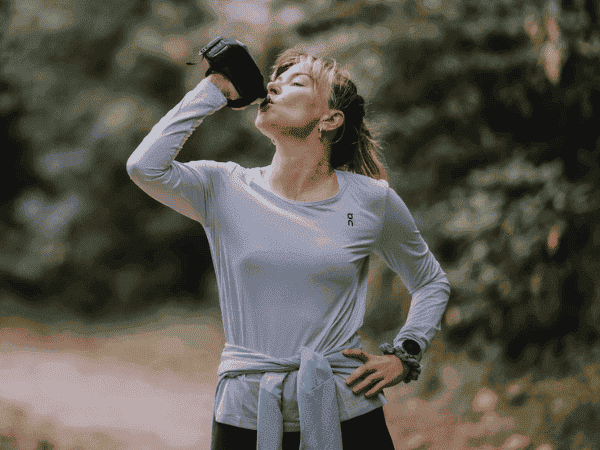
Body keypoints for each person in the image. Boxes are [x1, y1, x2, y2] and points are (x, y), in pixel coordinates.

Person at [126, 48, 450, 450]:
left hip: (347, 405)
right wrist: (213, 89)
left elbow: (430, 282)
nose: (274, 84)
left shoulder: (368, 203)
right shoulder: (224, 187)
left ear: (330, 119)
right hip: (246, 411)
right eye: (277, 78)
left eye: (297, 82)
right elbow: (145, 167)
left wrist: (405, 355)